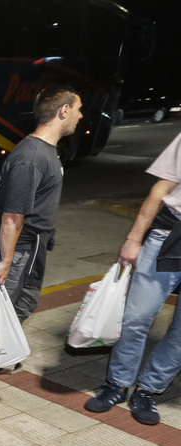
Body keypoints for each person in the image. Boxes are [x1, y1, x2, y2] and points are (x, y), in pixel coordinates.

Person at [0, 85, 82, 402]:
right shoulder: (31, 158)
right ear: (64, 111)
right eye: (79, 109)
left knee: (23, 305)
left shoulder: (46, 151)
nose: (81, 116)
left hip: (33, 246)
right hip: (17, 246)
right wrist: (6, 259)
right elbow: (12, 216)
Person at [84, 129, 181, 426]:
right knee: (137, 317)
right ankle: (117, 384)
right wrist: (134, 238)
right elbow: (159, 189)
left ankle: (148, 390)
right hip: (169, 235)